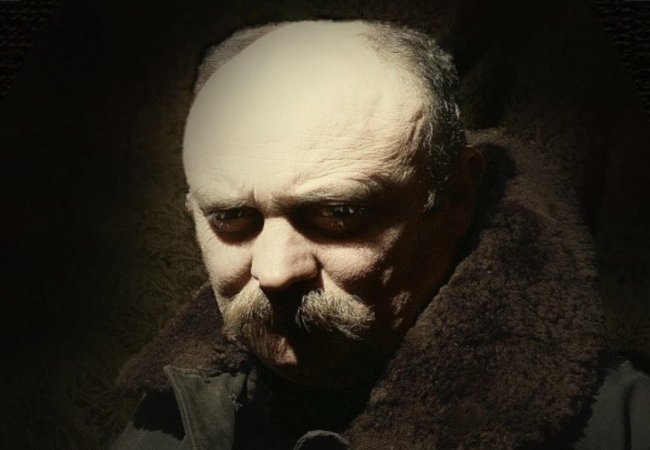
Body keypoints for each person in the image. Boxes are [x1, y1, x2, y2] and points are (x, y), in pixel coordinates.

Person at [112, 20, 650, 450]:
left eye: (338, 212)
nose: (274, 272)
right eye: (231, 218)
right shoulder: (171, 416)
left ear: (456, 198)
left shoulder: (622, 427)